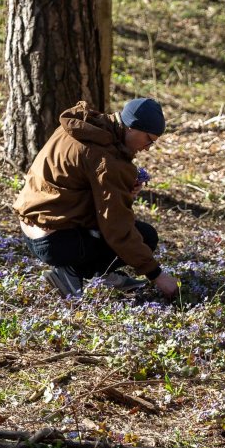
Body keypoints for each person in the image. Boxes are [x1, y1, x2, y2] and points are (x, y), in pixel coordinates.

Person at [13, 97, 180, 299]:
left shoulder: (83, 127)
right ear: (131, 127)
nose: (147, 148)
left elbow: (76, 189)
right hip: (56, 243)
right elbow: (117, 226)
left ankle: (98, 272)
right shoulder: (105, 157)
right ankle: (71, 273)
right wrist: (156, 274)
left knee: (133, 234)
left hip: (32, 228)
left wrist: (122, 192)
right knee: (145, 237)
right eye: (149, 140)